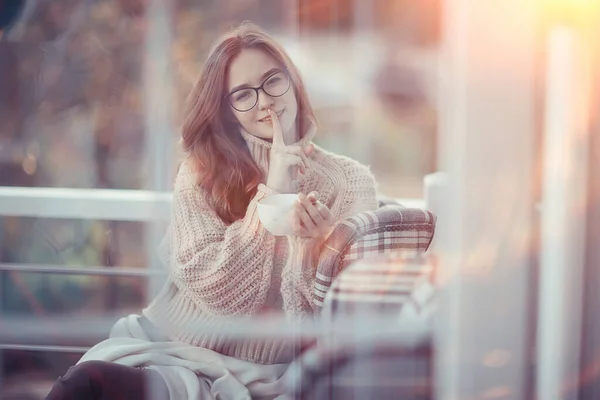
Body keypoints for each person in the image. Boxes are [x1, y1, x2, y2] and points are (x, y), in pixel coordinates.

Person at [45, 21, 379, 400]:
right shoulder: (201, 169)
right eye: (243, 94)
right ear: (227, 109)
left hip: (261, 373)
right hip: (167, 348)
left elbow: (338, 312)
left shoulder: (350, 181)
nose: (266, 102)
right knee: (82, 385)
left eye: (273, 80)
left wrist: (318, 246)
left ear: (293, 81)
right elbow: (220, 296)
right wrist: (274, 191)